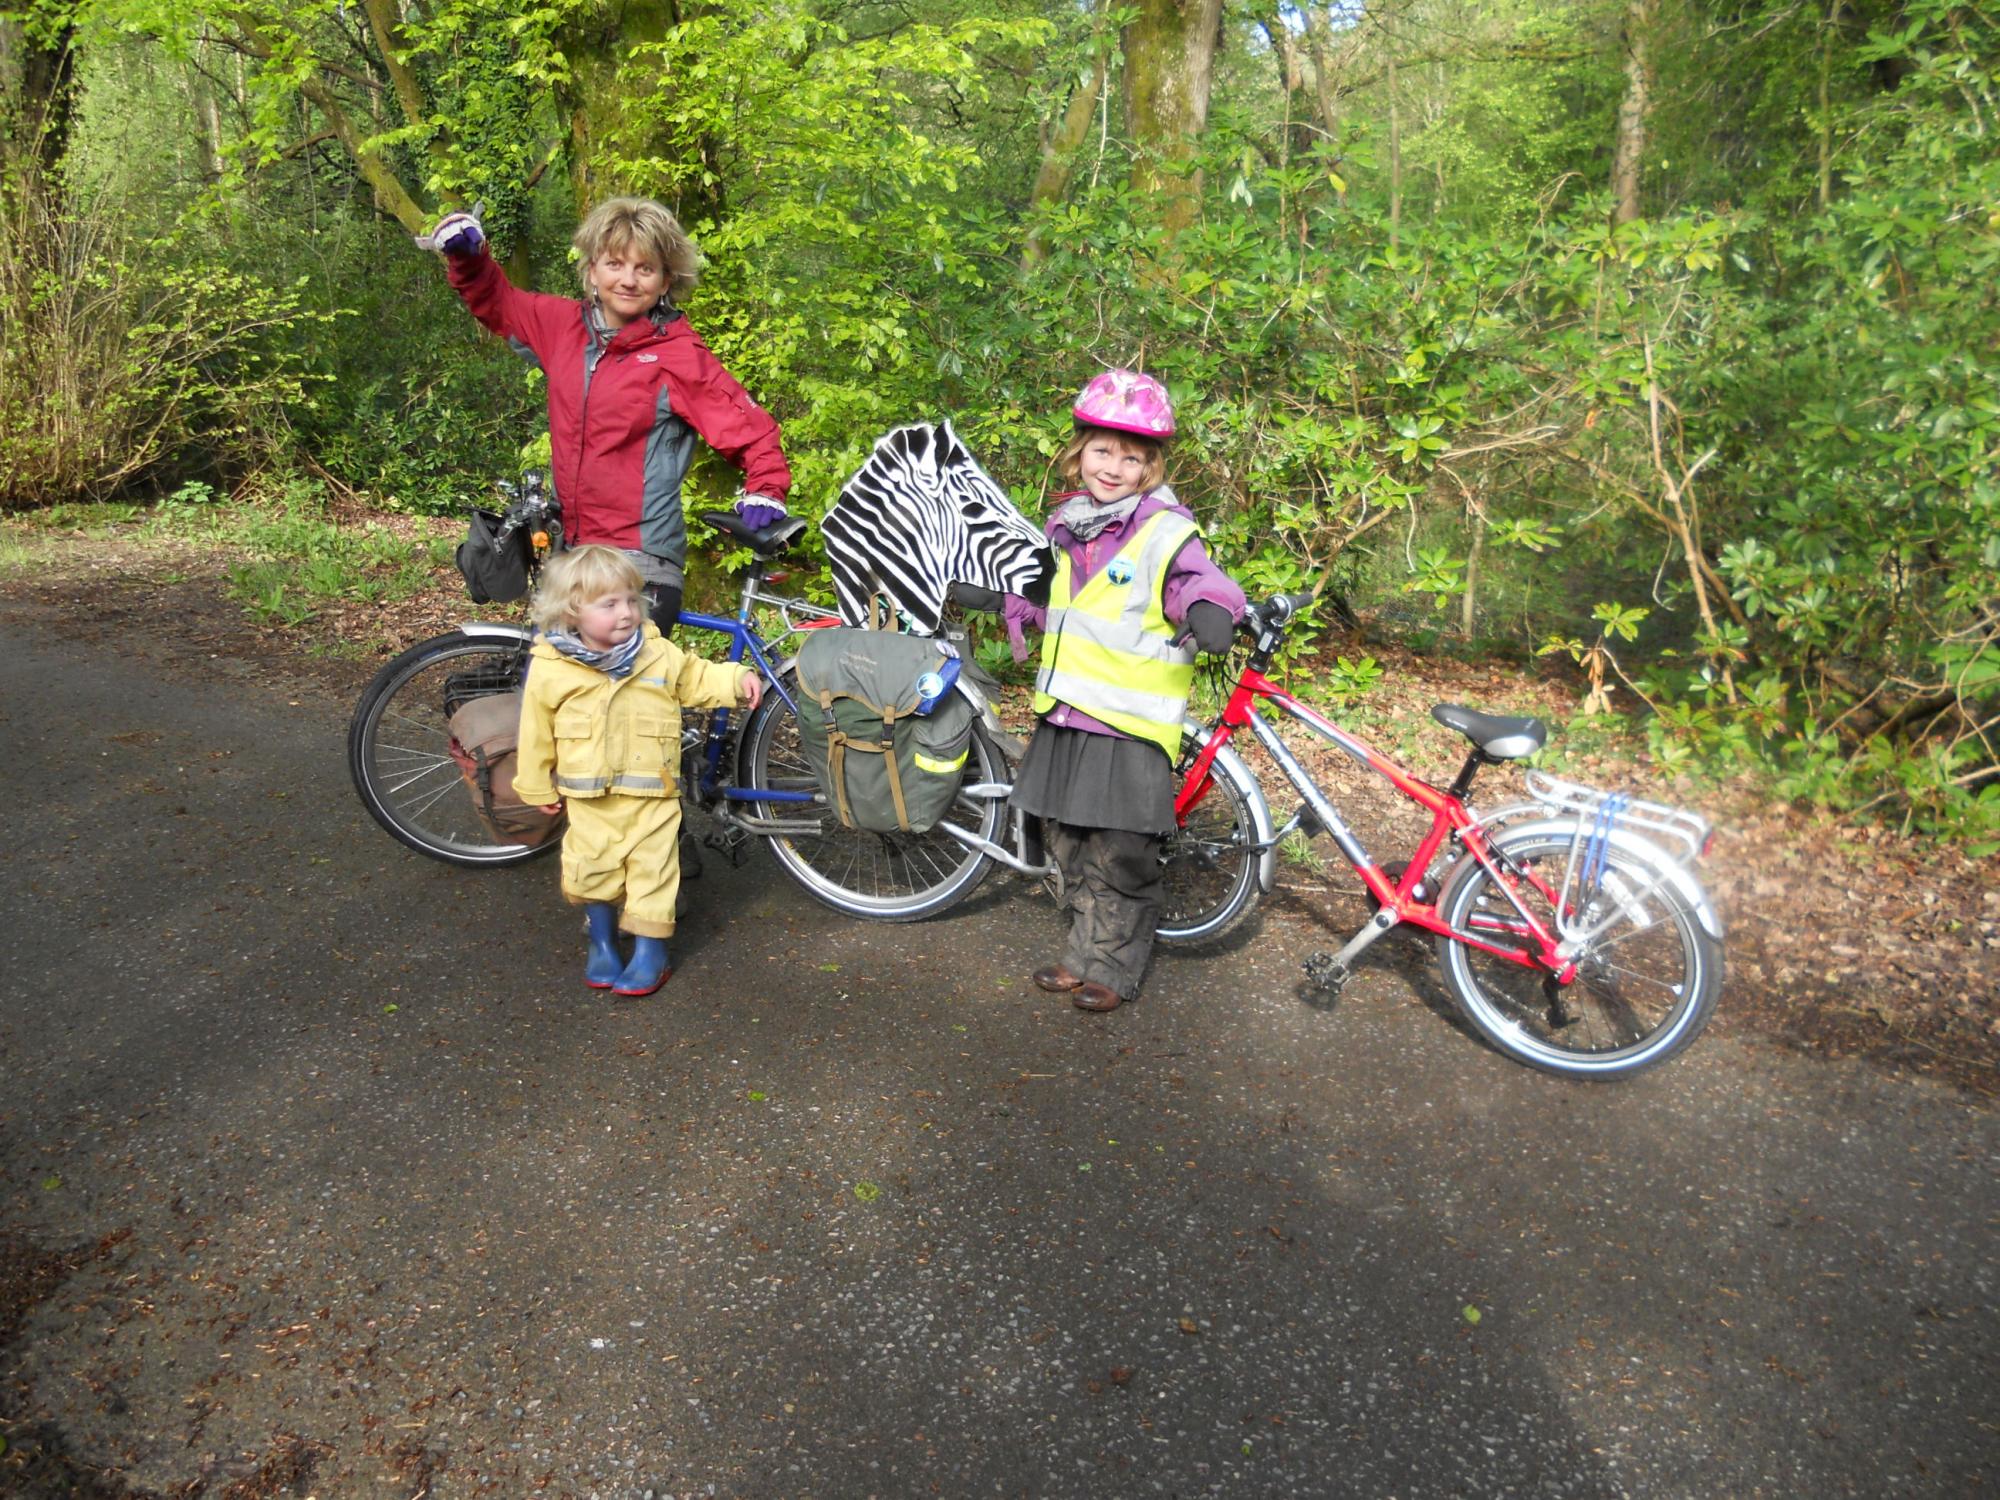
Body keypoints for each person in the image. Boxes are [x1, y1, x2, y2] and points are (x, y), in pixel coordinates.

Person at [420, 198, 792, 634]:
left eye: (645, 268)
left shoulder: (677, 355)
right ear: (593, 269)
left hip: (638, 561)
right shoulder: (562, 326)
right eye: (615, 264)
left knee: (613, 698)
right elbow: (498, 301)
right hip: (571, 553)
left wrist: (765, 488)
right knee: (550, 690)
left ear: (665, 280)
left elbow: (751, 430)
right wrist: (469, 258)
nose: (628, 280)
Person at [999, 370, 1245, 1013]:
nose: (1112, 466)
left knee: (1122, 852)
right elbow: (1068, 612)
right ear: (1080, 452)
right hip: (1068, 713)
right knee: (1069, 842)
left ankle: (1113, 962)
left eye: (1130, 457)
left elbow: (1198, 582)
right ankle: (1083, 952)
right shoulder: (1065, 526)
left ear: (1150, 468)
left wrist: (1213, 607)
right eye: (1103, 451)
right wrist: (1004, 601)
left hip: (1130, 727)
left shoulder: (1163, 530)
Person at [513, 546, 763, 997]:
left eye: (631, 599)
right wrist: (533, 783)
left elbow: (695, 677)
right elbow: (534, 732)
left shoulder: (656, 654)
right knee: (593, 869)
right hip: (589, 800)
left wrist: (734, 681)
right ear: (573, 610)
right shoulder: (553, 668)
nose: (626, 612)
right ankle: (604, 943)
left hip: (653, 795)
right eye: (608, 604)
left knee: (654, 872)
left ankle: (651, 952)